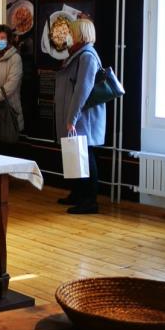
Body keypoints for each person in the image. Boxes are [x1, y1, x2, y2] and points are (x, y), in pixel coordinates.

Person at [53, 17, 106, 214]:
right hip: (76, 116)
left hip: (83, 118)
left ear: (80, 35)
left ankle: (89, 201)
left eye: (72, 32)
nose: (69, 35)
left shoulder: (87, 57)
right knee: (74, 155)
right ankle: (77, 194)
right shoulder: (78, 54)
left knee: (85, 157)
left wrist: (72, 118)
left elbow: (82, 90)